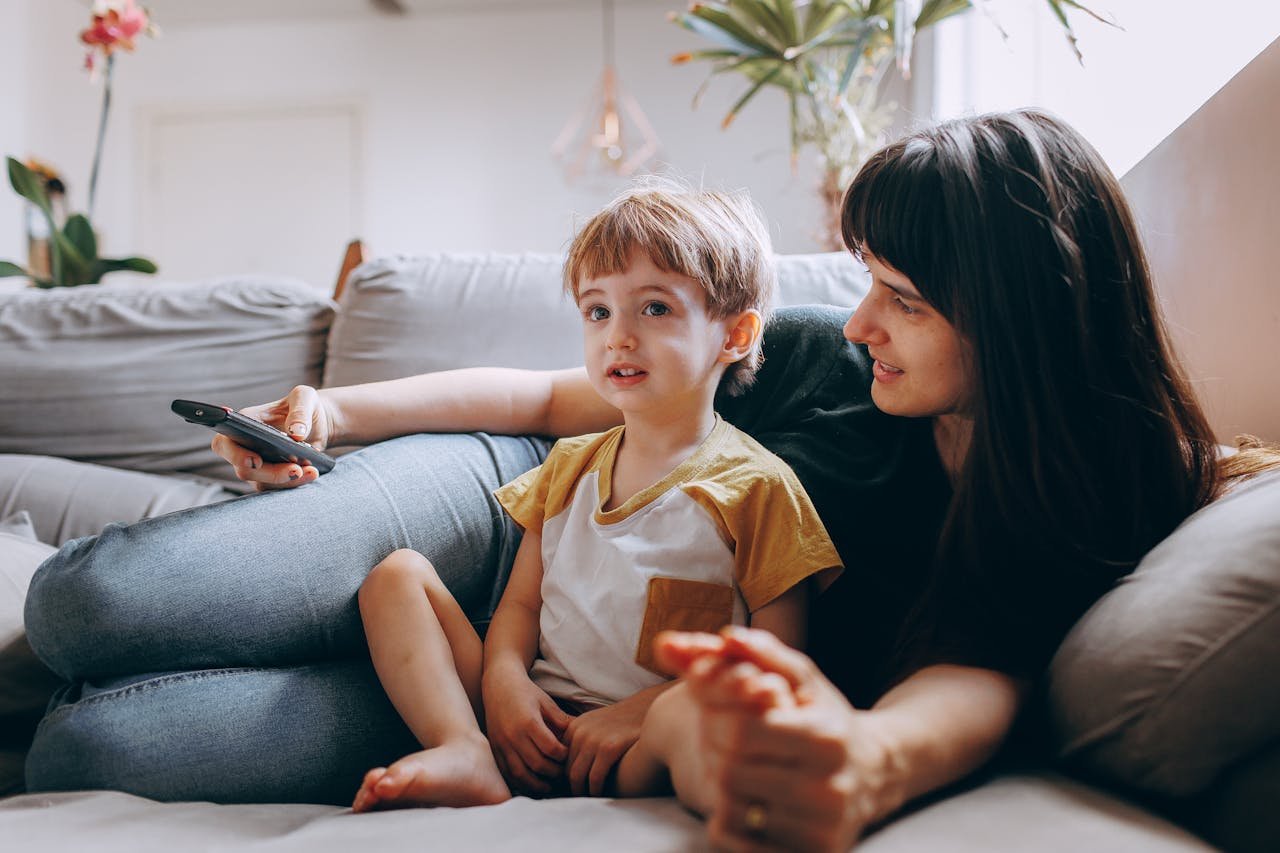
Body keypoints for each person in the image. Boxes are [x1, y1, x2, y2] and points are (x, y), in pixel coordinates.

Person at [23, 109, 1278, 846]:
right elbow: (543, 399)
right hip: (527, 493)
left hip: (569, 683)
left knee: (90, 744)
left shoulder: (1073, 498)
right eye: (863, 287)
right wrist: (332, 408)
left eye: (896, 298)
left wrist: (868, 758)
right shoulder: (810, 366)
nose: (855, 324)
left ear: (1018, 312)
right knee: (89, 607)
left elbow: (985, 667)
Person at [348, 185, 840, 812]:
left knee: (698, 713)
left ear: (735, 335)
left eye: (655, 309)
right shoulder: (569, 466)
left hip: (636, 747)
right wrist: (502, 683)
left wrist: (641, 711)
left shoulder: (758, 487)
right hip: (530, 724)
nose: (618, 337)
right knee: (397, 576)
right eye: (597, 311)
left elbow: (777, 658)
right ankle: (462, 749)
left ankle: (742, 803)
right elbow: (521, 606)